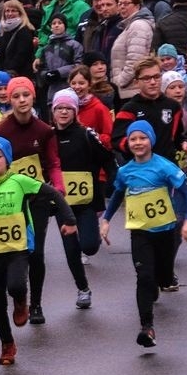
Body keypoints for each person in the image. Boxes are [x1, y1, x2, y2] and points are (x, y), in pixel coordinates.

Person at [0, 137, 76, 365]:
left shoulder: (20, 182)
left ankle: (21, 301)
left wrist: (69, 218)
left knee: (17, 285)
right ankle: (7, 343)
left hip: (18, 248)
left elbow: (54, 195)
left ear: (7, 160)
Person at [99, 121, 187, 347]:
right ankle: (147, 328)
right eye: (133, 139)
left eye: (142, 138)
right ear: (128, 143)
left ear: (150, 141)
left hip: (166, 231)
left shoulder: (165, 167)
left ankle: (159, 282)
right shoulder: (125, 172)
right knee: (143, 277)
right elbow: (116, 196)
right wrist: (105, 220)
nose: (138, 142)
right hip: (140, 231)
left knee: (162, 278)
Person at [0, 76, 64, 324]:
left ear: (33, 97)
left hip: (37, 200)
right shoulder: (2, 131)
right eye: (16, 96)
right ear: (9, 100)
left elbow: (53, 162)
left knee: (36, 253)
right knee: (15, 251)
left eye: (26, 95)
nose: (21, 100)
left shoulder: (44, 130)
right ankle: (19, 295)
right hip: (11, 201)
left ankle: (36, 304)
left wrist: (59, 188)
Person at [48, 89, 116, 308]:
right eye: (59, 108)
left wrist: (113, 185)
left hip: (86, 202)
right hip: (62, 204)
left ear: (75, 111)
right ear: (53, 111)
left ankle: (92, 235)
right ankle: (83, 289)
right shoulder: (48, 137)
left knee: (89, 247)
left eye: (68, 108)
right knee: (71, 250)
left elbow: (108, 159)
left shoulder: (86, 135)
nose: (64, 112)